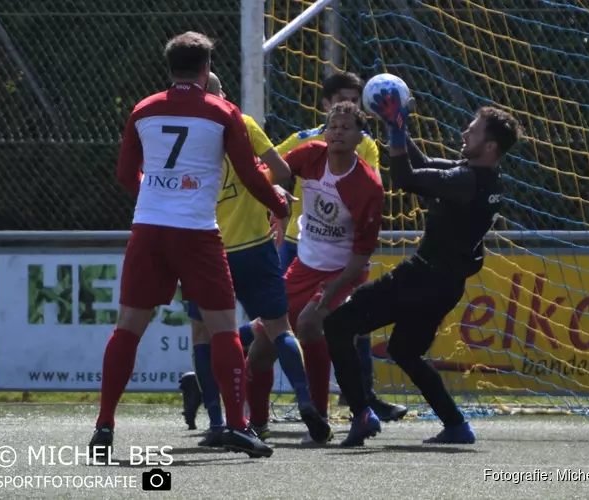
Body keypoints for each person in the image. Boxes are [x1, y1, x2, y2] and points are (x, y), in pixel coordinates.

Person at [87, 32, 289, 459]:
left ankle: (104, 426)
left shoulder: (143, 109)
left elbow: (126, 174)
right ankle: (237, 425)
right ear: (206, 68)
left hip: (149, 230)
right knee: (221, 327)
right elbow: (251, 176)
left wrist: (156, 195)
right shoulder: (222, 111)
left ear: (169, 68)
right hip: (197, 233)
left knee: (128, 327)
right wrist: (280, 206)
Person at [324, 87, 524, 446]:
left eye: (473, 130)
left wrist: (398, 132)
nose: (465, 133)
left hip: (423, 278)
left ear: (491, 146)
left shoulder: (466, 180)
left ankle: (361, 414)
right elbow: (421, 170)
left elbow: (405, 179)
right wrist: (396, 127)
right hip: (445, 284)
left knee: (337, 324)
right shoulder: (480, 177)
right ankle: (456, 425)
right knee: (404, 351)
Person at [181, 72, 331, 447]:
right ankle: (305, 400)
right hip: (255, 245)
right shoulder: (243, 122)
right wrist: (276, 196)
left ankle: (217, 424)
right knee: (280, 327)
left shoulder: (186, 130)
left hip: (205, 246)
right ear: (221, 94)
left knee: (207, 333)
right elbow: (280, 171)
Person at [242, 101, 384, 443]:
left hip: (345, 271)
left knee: (308, 323)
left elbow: (362, 254)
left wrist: (333, 289)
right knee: (262, 345)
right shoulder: (310, 155)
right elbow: (271, 174)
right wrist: (276, 196)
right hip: (303, 267)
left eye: (345, 127)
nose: (336, 132)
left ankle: (319, 421)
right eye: (332, 125)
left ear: (358, 136)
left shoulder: (368, 186)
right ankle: (257, 423)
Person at [273, 72, 407, 423]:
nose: (348, 106)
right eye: (341, 100)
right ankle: (293, 400)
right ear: (325, 106)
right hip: (297, 248)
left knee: (353, 325)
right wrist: (274, 199)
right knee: (278, 327)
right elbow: (266, 171)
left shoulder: (364, 143)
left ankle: (360, 398)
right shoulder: (304, 143)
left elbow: (368, 191)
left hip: (343, 255)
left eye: (356, 100)